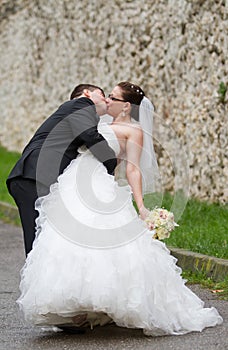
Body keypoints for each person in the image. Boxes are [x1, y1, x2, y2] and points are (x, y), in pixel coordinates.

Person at [16, 82, 222, 336]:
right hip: (71, 184)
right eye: (107, 96)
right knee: (66, 243)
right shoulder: (94, 120)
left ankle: (107, 305)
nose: (108, 100)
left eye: (112, 97)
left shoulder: (133, 131)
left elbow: (132, 168)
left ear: (126, 105)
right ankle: (78, 306)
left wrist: (141, 205)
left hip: (100, 187)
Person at [6, 84, 117, 256]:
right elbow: (90, 135)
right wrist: (111, 163)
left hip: (37, 176)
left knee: (45, 238)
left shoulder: (74, 112)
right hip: (34, 175)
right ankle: (37, 282)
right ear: (87, 93)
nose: (106, 100)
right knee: (38, 241)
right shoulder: (81, 104)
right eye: (102, 95)